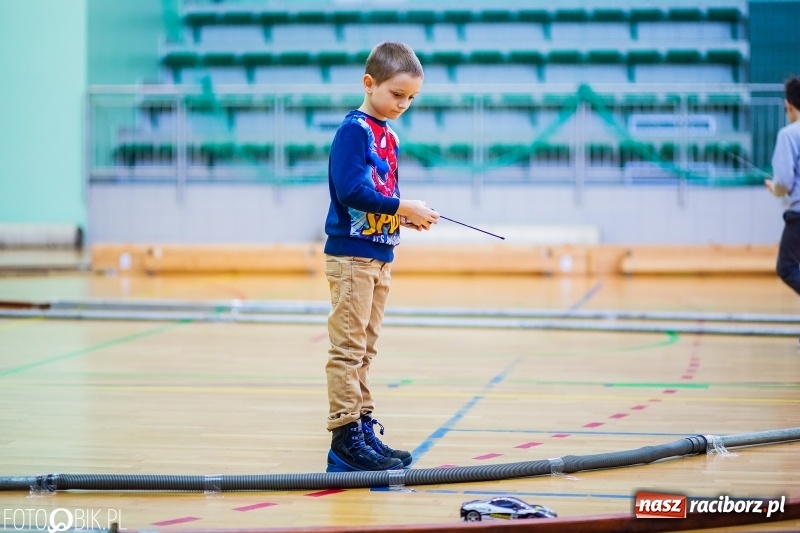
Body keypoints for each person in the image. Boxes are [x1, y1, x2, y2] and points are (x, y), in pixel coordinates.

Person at [322, 41, 439, 472]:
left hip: (379, 254)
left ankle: (363, 426)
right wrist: (402, 206)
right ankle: (344, 435)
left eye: (411, 98)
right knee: (348, 349)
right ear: (369, 84)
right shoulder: (354, 130)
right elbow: (350, 190)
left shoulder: (388, 135)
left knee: (366, 349)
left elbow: (376, 198)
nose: (403, 104)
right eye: (396, 94)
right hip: (352, 258)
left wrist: (402, 217)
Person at [765, 76, 800, 344]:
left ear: (788, 105)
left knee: (787, 268)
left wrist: (774, 187)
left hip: (798, 216)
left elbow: (784, 182)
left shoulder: (788, 135)